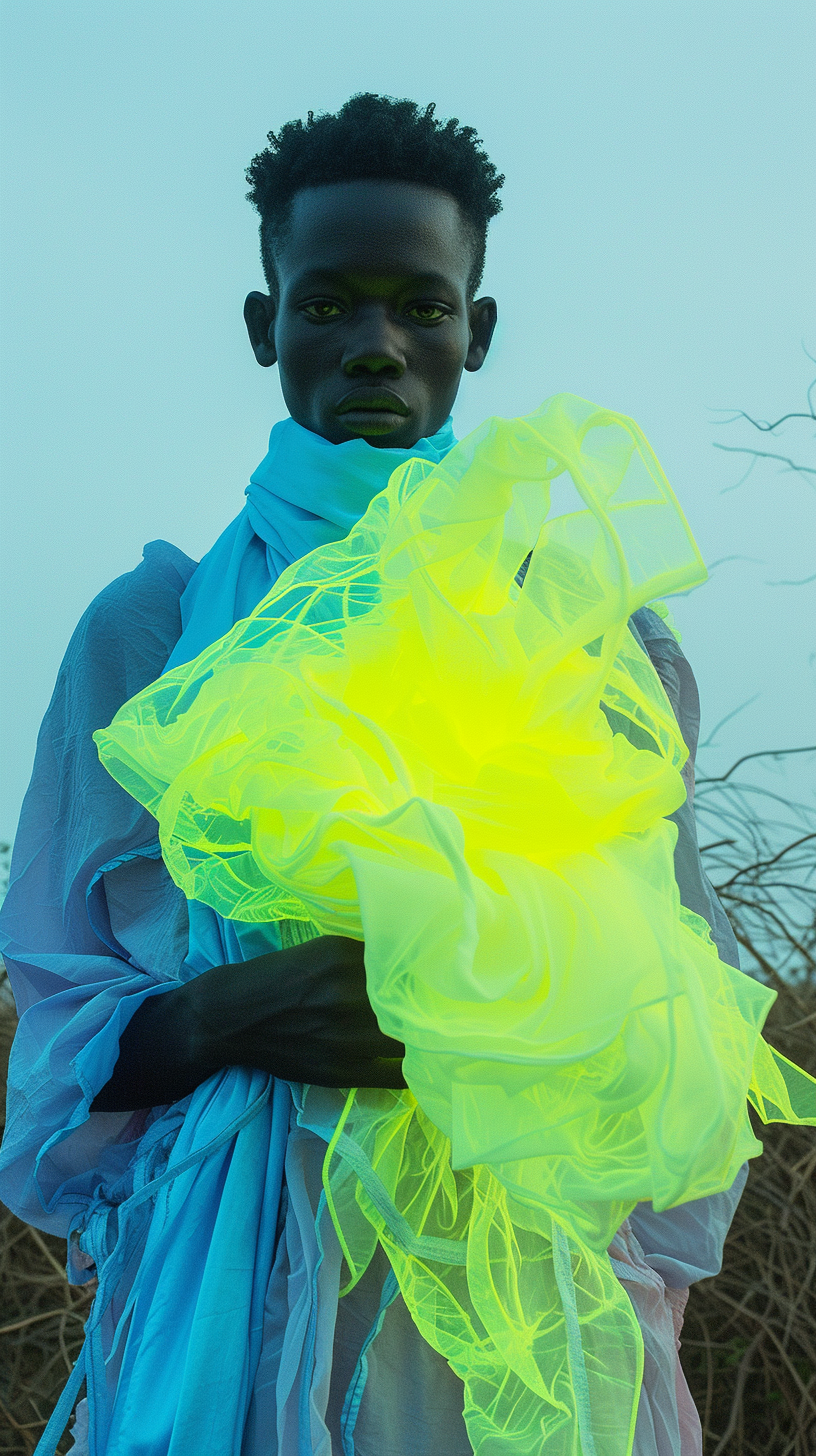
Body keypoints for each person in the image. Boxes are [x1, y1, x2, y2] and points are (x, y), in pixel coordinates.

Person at [0, 94, 756, 1456]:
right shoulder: (156, 634)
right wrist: (224, 1012)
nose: (375, 347)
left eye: (421, 306)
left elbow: (680, 1012)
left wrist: (498, 1009)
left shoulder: (595, 643)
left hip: (527, 1309)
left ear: (480, 328)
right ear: (261, 323)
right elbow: (59, 1011)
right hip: (228, 1307)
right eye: (327, 305)